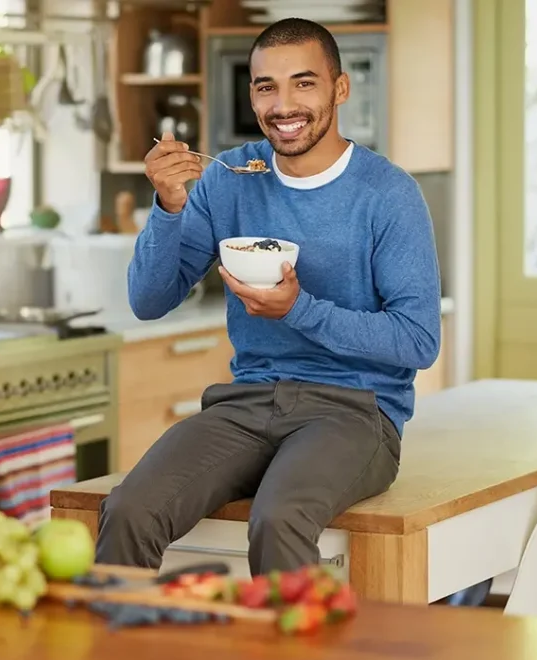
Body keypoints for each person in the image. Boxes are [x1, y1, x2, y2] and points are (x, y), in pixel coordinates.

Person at [96, 18, 442, 575]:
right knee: (130, 509)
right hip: (247, 402)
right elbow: (149, 300)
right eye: (266, 87)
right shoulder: (230, 177)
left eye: (304, 83)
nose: (284, 105)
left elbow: (419, 341)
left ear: (339, 88)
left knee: (279, 517)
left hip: (355, 413)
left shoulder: (388, 193)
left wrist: (298, 310)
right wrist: (167, 204)